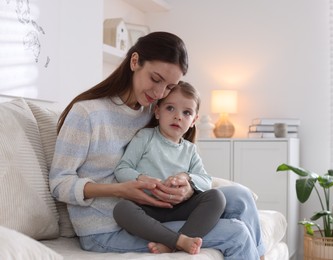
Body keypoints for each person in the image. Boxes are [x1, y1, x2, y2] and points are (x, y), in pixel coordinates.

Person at [49, 31, 265, 259]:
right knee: (236, 234)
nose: (160, 93)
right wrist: (120, 189)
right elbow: (59, 183)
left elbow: (178, 153)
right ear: (135, 62)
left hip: (158, 208)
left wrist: (188, 186)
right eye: (155, 79)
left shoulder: (152, 111)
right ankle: (178, 242)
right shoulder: (87, 114)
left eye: (170, 87)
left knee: (240, 196)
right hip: (109, 226)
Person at [113, 81, 226, 255]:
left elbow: (206, 181)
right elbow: (122, 169)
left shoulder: (190, 149)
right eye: (170, 108)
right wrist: (143, 179)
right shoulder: (146, 137)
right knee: (122, 209)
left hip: (180, 209)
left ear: (194, 120)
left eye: (186, 112)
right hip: (147, 208)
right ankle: (178, 241)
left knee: (217, 197)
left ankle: (175, 243)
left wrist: (187, 177)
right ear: (157, 111)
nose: (178, 116)